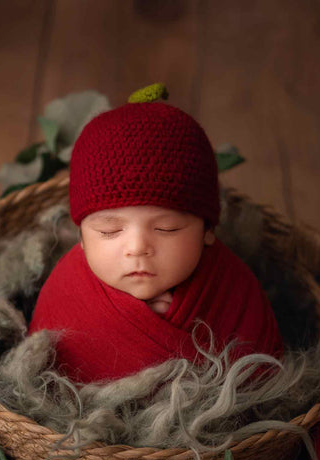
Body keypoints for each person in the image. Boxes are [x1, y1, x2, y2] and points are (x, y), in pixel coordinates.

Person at [28, 95, 282, 384]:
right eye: (109, 231)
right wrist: (131, 325)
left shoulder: (232, 288)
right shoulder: (65, 292)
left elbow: (262, 378)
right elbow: (41, 378)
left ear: (207, 230)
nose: (137, 248)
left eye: (167, 228)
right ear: (82, 238)